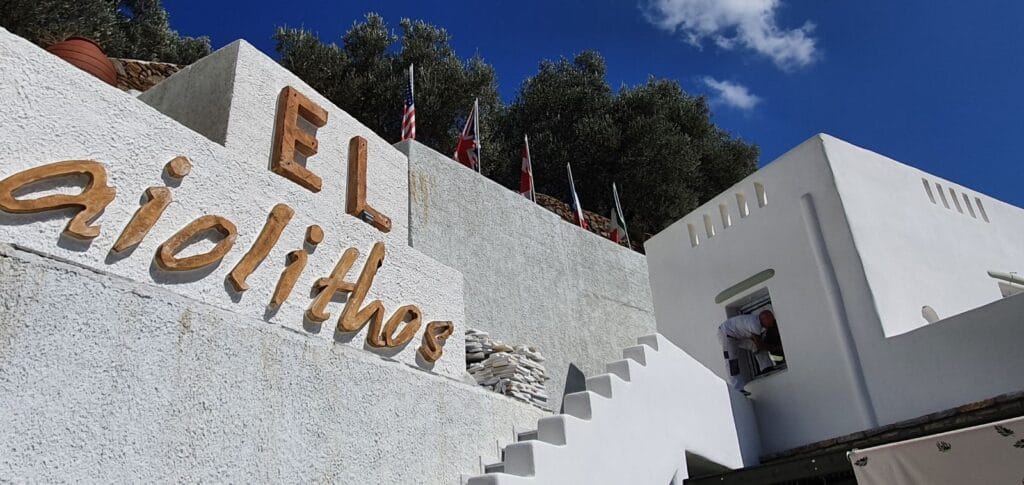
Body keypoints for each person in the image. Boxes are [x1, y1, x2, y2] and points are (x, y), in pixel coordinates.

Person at [717, 310, 777, 392]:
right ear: (763, 319)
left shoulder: (758, 324)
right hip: (725, 334)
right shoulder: (755, 324)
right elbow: (760, 345)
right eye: (770, 320)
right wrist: (775, 348)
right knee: (732, 361)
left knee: (754, 346)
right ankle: (738, 389)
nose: (772, 323)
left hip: (737, 336)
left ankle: (766, 368)